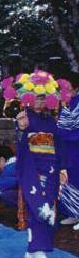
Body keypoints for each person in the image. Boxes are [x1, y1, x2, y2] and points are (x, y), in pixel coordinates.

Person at [1, 70, 71, 258]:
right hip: (32, 169)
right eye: (37, 98)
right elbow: (21, 145)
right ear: (29, 99)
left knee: (48, 208)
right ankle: (39, 249)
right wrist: (22, 130)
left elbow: (59, 145)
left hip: (50, 169)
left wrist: (63, 168)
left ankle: (35, 248)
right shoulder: (24, 118)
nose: (40, 102)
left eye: (43, 98)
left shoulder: (51, 121)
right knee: (38, 207)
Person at [57, 72, 79, 228]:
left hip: (76, 147)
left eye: (68, 88)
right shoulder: (66, 104)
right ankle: (73, 213)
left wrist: (63, 134)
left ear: (76, 88)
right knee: (67, 179)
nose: (64, 91)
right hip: (66, 149)